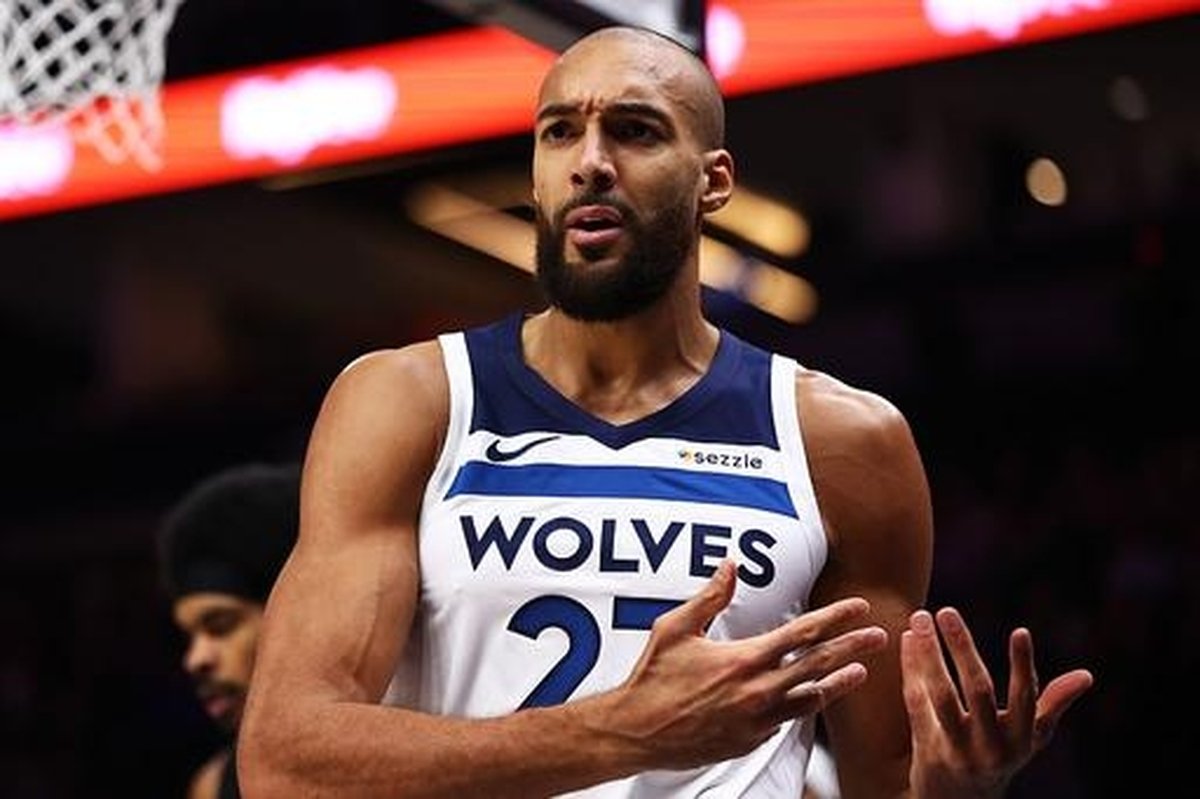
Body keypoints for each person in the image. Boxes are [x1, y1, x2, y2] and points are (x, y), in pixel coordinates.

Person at [238, 25, 1093, 798]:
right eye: (560, 131)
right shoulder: (410, 400)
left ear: (713, 182)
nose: (590, 162)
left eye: (636, 131)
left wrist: (953, 793)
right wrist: (626, 729)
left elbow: (886, 782)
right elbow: (285, 761)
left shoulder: (843, 439)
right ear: (535, 175)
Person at [156, 462, 301, 799]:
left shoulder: (401, 750)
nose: (195, 659)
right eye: (189, 637)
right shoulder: (212, 787)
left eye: (221, 625)